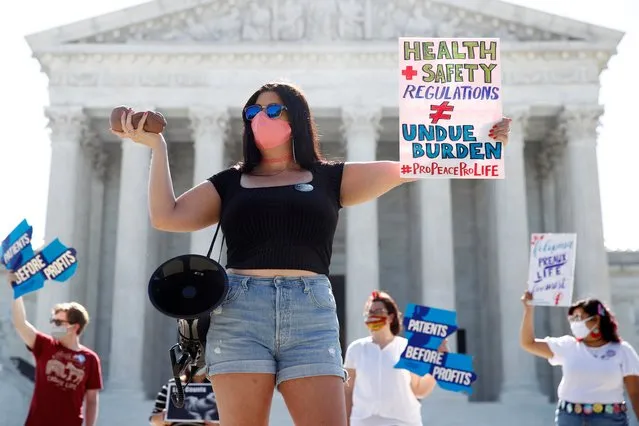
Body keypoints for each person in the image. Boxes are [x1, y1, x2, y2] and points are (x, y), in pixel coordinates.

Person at [110, 81, 511, 426]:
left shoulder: (330, 178)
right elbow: (168, 216)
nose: (260, 116)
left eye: (272, 108)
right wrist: (156, 147)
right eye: (253, 109)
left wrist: (480, 140)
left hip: (310, 313)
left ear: (296, 117)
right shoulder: (231, 181)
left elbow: (411, 165)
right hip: (240, 311)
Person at [520, 291, 639, 425]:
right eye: (573, 318)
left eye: (579, 317)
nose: (575, 323)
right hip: (570, 418)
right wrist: (528, 310)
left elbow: (635, 392)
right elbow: (528, 343)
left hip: (609, 419)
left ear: (596, 320)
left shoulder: (622, 350)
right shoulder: (568, 346)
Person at [7, 272, 103, 426]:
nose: (53, 326)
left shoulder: (90, 359)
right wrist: (16, 291)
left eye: (59, 323)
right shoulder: (44, 345)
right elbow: (20, 324)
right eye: (53, 321)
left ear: (74, 327)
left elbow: (92, 399)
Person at [344, 290, 447, 426]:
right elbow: (347, 392)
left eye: (379, 311)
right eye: (370, 312)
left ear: (391, 317)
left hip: (403, 421)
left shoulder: (406, 348)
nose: (373, 315)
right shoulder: (355, 349)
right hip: (363, 422)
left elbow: (419, 390)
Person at [149, 367, 219, 426]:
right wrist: (165, 417)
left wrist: (217, 423)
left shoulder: (218, 386)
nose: (197, 362)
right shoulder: (172, 385)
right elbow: (153, 420)